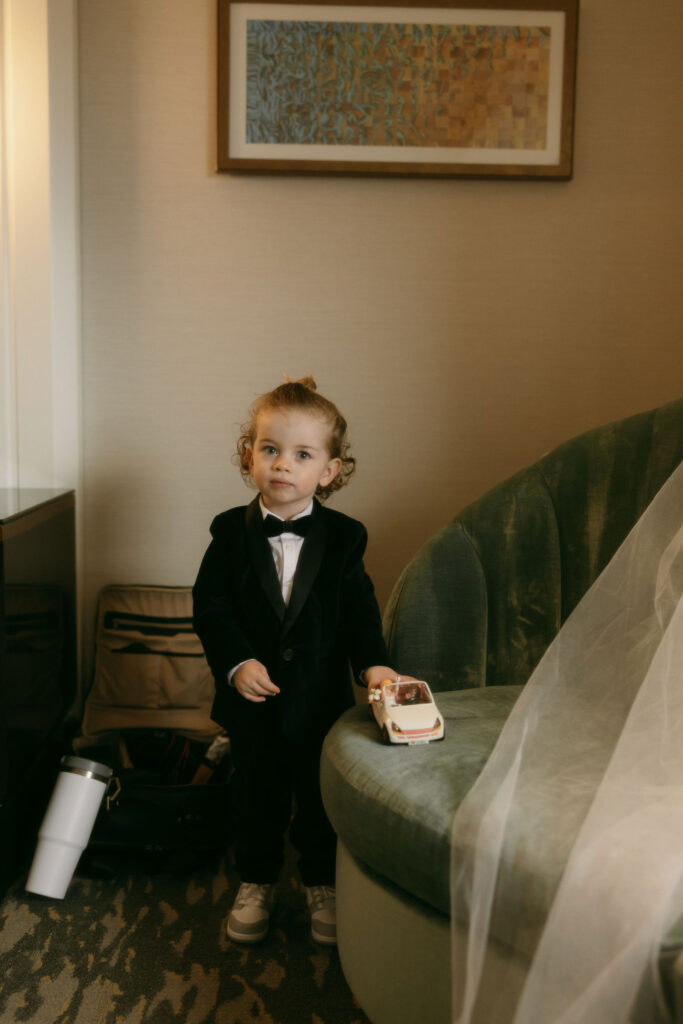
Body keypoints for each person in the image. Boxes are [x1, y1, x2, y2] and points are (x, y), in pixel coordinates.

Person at [193, 376, 403, 946]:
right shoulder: (228, 534)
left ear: (329, 472)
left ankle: (320, 881)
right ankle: (255, 879)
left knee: (318, 797)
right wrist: (236, 662)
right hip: (251, 701)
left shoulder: (344, 538)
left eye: (302, 455)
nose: (283, 465)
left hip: (318, 700)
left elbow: (359, 611)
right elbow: (210, 609)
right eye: (270, 449)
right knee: (254, 796)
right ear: (249, 456)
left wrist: (374, 667)